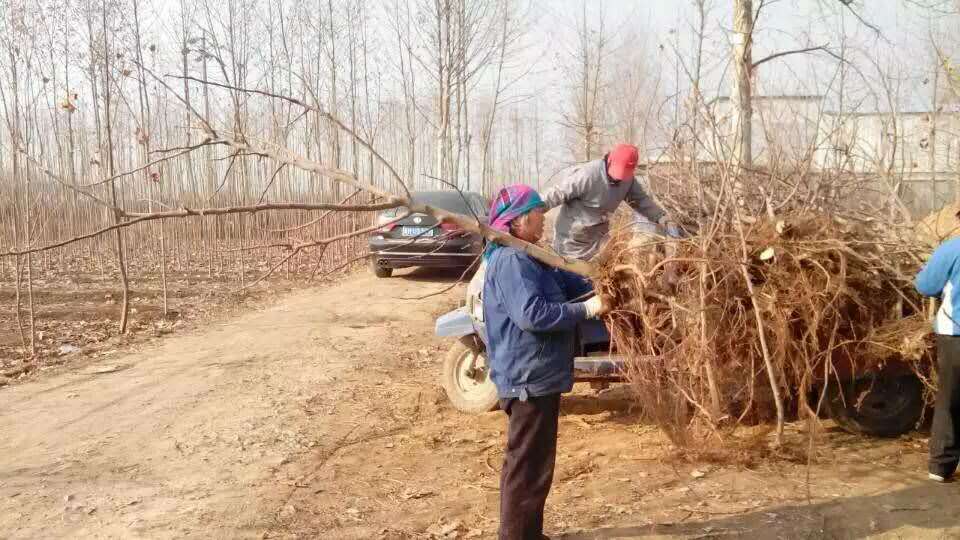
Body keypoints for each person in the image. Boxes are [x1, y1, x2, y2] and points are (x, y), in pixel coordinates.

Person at [482, 184, 606, 540]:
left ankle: (528, 533)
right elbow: (532, 315)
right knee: (525, 465)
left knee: (537, 464)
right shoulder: (511, 260)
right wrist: (587, 309)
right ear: (519, 220)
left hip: (539, 376)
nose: (544, 217)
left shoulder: (534, 256)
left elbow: (572, 281)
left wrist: (604, 279)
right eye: (538, 211)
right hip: (525, 378)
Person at [541, 143, 680, 262]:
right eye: (617, 173)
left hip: (598, 240)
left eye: (623, 175)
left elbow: (641, 201)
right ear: (610, 161)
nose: (619, 179)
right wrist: (534, 208)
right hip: (570, 242)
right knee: (570, 278)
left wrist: (661, 216)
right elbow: (558, 193)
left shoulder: (628, 181)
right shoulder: (588, 175)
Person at [915, 231, 960, 482]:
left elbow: (926, 286)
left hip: (955, 335)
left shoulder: (953, 249)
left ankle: (941, 467)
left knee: (950, 399)